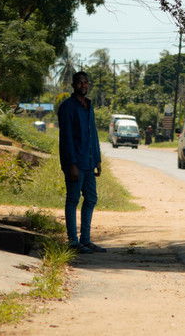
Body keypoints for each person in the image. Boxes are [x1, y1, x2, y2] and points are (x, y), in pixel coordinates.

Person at [57, 71, 106, 254]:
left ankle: (86, 239)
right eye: (80, 82)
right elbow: (66, 138)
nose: (83, 85)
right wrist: (71, 164)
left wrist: (97, 159)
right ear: (73, 85)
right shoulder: (67, 107)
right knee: (73, 199)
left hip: (89, 161)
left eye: (86, 82)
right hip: (75, 163)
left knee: (91, 198)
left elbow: (94, 134)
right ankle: (73, 241)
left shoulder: (89, 106)